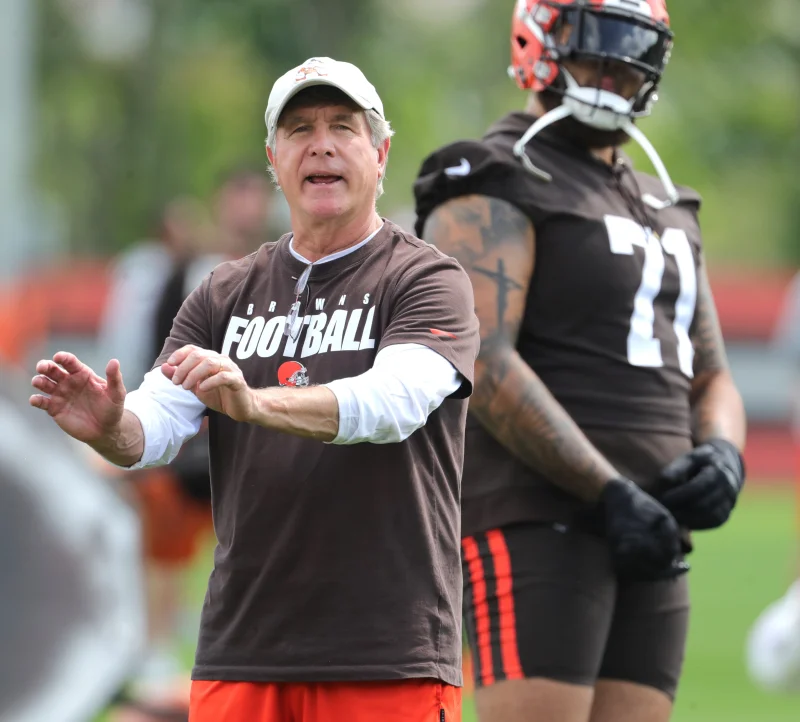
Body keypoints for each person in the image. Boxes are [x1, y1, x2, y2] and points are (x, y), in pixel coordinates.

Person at [31, 56, 479, 722]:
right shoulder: (225, 291)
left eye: (342, 126)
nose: (321, 142)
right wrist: (110, 426)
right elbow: (155, 421)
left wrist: (254, 403)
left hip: (383, 652)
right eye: (299, 129)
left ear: (380, 152)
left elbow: (394, 403)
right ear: (275, 158)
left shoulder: (425, 279)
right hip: (242, 651)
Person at [413, 2, 746, 721]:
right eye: (596, 51)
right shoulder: (494, 174)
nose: (616, 72)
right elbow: (480, 357)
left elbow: (710, 370)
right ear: (540, 43)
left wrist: (723, 451)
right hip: (536, 518)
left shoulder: (664, 199)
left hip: (653, 526)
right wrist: (607, 489)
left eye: (632, 55)